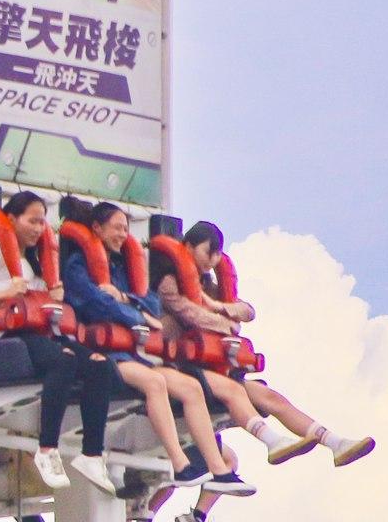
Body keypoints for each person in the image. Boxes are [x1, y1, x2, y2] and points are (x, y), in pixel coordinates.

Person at [141, 221, 373, 522]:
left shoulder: (206, 285)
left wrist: (221, 307)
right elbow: (192, 315)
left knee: (270, 398)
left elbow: (246, 311)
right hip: (177, 367)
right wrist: (224, 320)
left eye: (218, 254)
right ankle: (269, 442)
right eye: (209, 252)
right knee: (222, 443)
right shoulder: (169, 281)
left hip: (210, 366)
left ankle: (334, 442)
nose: (213, 260)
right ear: (189, 247)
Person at [61, 202, 255, 497]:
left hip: (135, 350)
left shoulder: (122, 268)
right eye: (117, 228)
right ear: (97, 228)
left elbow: (149, 301)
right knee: (155, 382)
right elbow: (95, 303)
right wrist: (136, 315)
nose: (123, 234)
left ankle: (220, 471)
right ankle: (179, 463)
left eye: (126, 228)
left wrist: (126, 299)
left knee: (191, 388)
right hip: (102, 351)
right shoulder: (78, 265)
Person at [0, 191, 117, 494]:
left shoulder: (29, 265)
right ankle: (46, 449)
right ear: (11, 219)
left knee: (100, 365)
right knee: (63, 360)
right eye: (32, 221)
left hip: (33, 332)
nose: (38, 228)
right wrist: (6, 294)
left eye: (42, 222)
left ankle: (92, 453)